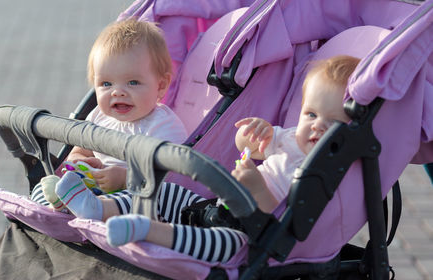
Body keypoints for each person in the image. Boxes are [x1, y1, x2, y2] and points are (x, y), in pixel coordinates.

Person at [54, 55, 359, 263]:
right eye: (310, 114)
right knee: (167, 192)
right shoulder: (291, 137)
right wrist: (255, 134)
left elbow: (273, 215)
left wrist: (256, 188)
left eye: (332, 123)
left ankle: (144, 229)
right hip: (219, 204)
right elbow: (247, 147)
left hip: (250, 232)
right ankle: (97, 207)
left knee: (219, 247)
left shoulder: (320, 170)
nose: (317, 126)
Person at [30, 19, 188, 208]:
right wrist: (80, 161)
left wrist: (124, 179)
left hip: (139, 202)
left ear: (160, 86)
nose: (117, 92)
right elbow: (80, 150)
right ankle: (52, 206)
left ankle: (75, 207)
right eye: (106, 84)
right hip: (95, 191)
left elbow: (171, 179)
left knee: (126, 200)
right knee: (44, 186)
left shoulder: (162, 126)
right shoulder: (99, 116)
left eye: (133, 82)